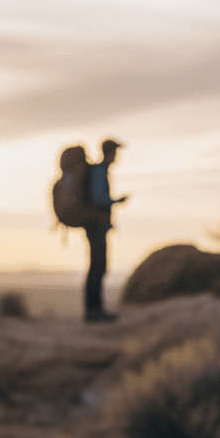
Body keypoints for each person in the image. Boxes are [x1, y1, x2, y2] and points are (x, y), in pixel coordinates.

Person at [82, 138, 128, 322]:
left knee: (98, 266)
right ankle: (94, 312)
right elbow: (98, 198)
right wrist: (116, 201)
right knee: (98, 267)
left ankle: (94, 310)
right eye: (115, 152)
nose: (117, 156)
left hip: (96, 224)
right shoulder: (100, 171)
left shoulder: (100, 171)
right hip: (96, 225)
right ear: (109, 152)